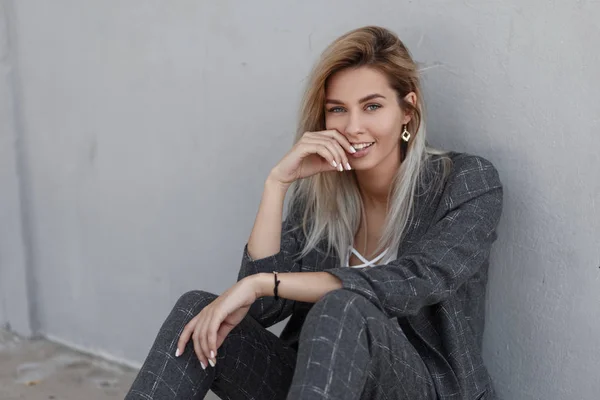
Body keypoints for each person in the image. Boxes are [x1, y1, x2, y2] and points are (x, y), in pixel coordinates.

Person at [126, 25, 503, 400]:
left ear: (407, 108)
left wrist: (262, 283)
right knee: (199, 309)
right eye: (338, 110)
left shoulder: (467, 182)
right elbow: (259, 310)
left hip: (423, 391)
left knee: (344, 308)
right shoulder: (322, 197)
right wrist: (277, 184)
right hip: (320, 387)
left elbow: (413, 281)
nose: (354, 127)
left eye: (372, 106)